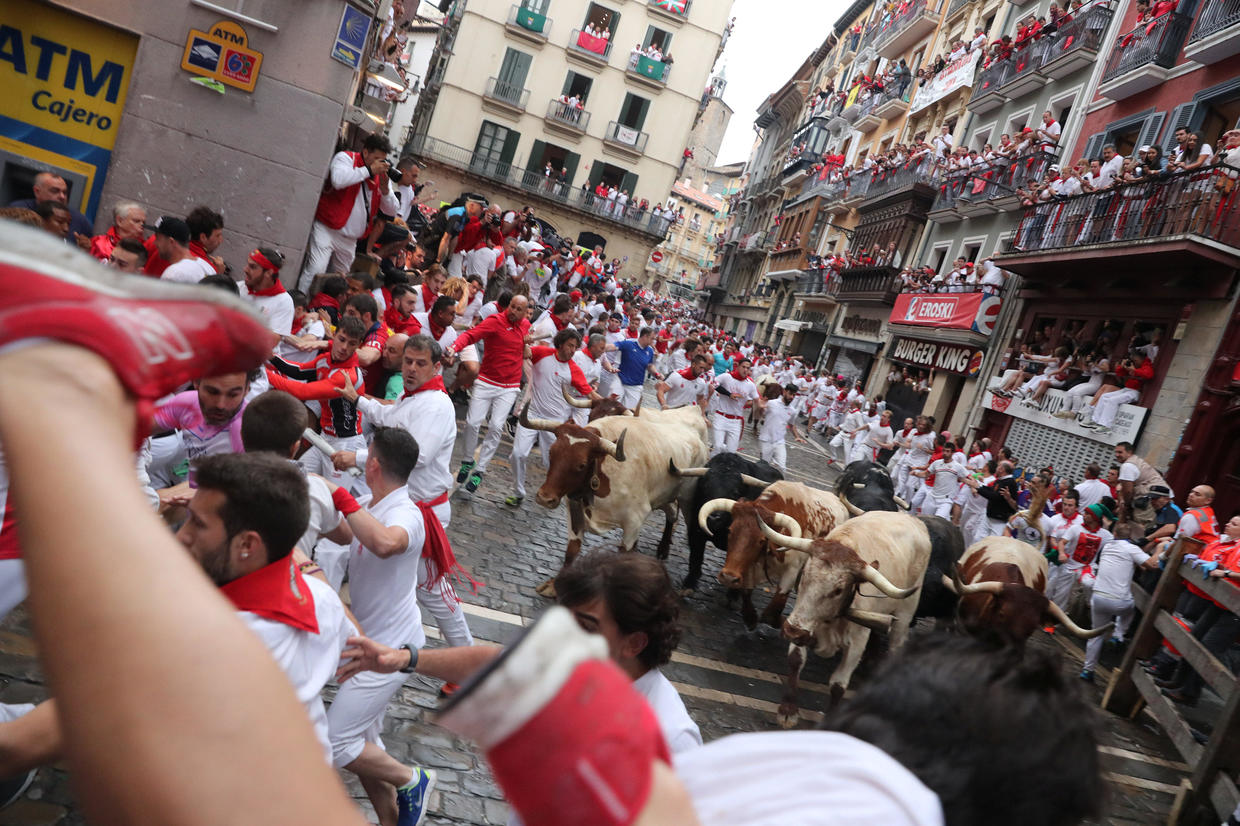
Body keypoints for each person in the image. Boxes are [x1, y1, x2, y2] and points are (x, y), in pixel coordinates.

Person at [321, 427, 438, 826]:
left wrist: (340, 498)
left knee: (336, 744)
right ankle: (391, 819)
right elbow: (345, 532)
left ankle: (414, 779)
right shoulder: (372, 501)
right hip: (368, 645)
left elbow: (386, 543)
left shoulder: (406, 513)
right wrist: (314, 508)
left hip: (390, 652)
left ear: (372, 464)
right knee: (364, 743)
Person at [265, 318, 367, 485]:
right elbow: (298, 370)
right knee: (296, 481)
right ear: (334, 334)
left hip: (346, 445)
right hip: (326, 439)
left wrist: (263, 372)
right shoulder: (325, 359)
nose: (344, 348)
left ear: (359, 345)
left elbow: (301, 391)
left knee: (336, 501)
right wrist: (271, 357)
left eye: (351, 344)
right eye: (341, 339)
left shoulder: (347, 375)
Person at [449, 294, 531, 496]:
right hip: (486, 381)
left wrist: (528, 345)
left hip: (509, 386)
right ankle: (468, 460)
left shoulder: (526, 327)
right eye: (511, 306)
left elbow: (529, 351)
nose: (513, 311)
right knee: (472, 423)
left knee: (495, 427)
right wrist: (454, 347)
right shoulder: (495, 321)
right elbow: (470, 335)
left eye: (518, 309)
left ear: (525, 312)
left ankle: (480, 470)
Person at [507, 329, 599, 507]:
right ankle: (518, 492)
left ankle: (554, 491)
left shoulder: (573, 369)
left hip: (555, 424)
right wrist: (525, 342)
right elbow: (526, 353)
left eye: (575, 347)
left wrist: (606, 404)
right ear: (560, 344)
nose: (573, 350)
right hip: (532, 415)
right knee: (517, 454)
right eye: (570, 345)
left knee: (550, 463)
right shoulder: (543, 353)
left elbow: (590, 393)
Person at [299, 133, 399, 291]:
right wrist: (368, 170)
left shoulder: (380, 176)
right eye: (377, 158)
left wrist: (386, 190)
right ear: (365, 152)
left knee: (340, 281)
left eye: (383, 159)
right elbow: (338, 180)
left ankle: (324, 308)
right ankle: (300, 304)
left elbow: (392, 210)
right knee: (315, 271)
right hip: (327, 229)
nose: (381, 163)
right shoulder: (345, 158)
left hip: (351, 239)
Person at [1080, 538, 1164, 682]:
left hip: (1099, 598)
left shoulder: (1108, 546)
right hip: (1120, 603)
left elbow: (1139, 563)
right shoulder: (1131, 549)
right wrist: (1160, 548)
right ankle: (1117, 635)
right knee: (1130, 610)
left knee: (1096, 635)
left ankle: (1087, 670)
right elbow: (1152, 564)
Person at [711, 357, 760, 456]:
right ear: (737, 367)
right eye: (743, 367)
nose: (745, 370)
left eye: (748, 368)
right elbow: (714, 384)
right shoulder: (726, 377)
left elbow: (756, 401)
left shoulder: (750, 385)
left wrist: (761, 411)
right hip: (721, 416)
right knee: (718, 446)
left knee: (731, 452)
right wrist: (729, 394)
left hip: (736, 421)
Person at [240, 248, 294, 335]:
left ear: (269, 272)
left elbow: (273, 340)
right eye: (248, 264)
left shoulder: (284, 301)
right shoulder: (239, 287)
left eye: (252, 267)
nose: (245, 269)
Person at [757, 384, 804, 475]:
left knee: (782, 468)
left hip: (779, 442)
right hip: (766, 439)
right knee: (763, 467)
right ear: (784, 392)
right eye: (790, 394)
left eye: (794, 395)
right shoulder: (771, 403)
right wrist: (760, 408)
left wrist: (797, 436)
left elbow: (791, 425)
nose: (792, 397)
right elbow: (761, 415)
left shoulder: (792, 411)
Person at [612, 327, 662, 410]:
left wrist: (656, 374)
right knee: (612, 407)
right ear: (645, 336)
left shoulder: (649, 350)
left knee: (628, 412)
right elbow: (612, 346)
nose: (653, 341)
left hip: (635, 386)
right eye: (652, 338)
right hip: (620, 380)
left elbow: (649, 365)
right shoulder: (629, 343)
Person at [154, 217, 214, 284]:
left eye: (157, 238)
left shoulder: (173, 274)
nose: (155, 243)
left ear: (171, 242)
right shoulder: (208, 267)